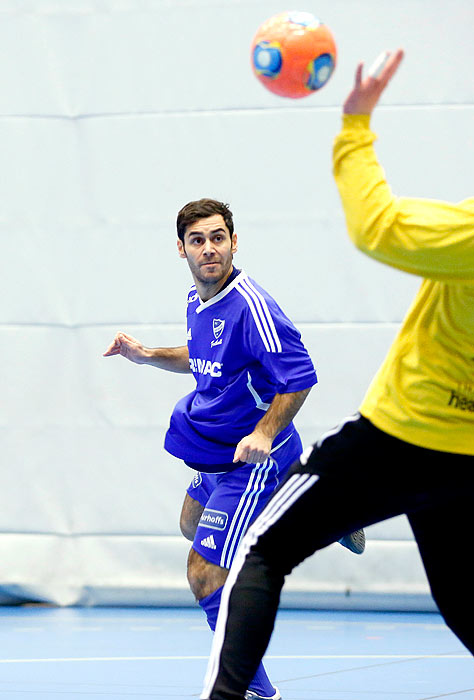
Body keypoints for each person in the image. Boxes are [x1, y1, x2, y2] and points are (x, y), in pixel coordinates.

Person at [200, 49, 474, 700]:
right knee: (466, 602)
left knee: (262, 552)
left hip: (403, 436)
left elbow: (377, 227)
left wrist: (356, 124)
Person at [103, 198, 365, 700]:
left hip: (252, 459)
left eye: (218, 237)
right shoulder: (197, 300)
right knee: (189, 524)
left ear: (234, 242)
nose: (209, 249)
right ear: (181, 249)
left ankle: (254, 690)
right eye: (198, 240)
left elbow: (301, 376)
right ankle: (321, 510)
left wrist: (265, 433)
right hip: (216, 447)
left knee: (203, 574)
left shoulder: (253, 306)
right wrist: (147, 355)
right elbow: (203, 357)